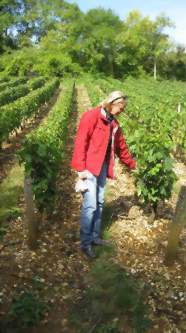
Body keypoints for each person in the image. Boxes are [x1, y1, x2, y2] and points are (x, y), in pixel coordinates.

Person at [71, 91, 136, 258]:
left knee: (99, 202)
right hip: (89, 168)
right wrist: (80, 168)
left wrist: (132, 165)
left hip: (102, 167)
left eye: (123, 108)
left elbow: (121, 148)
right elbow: (81, 141)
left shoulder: (114, 124)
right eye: (120, 107)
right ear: (112, 103)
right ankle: (85, 244)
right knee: (90, 205)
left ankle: (94, 237)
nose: (122, 111)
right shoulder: (91, 116)